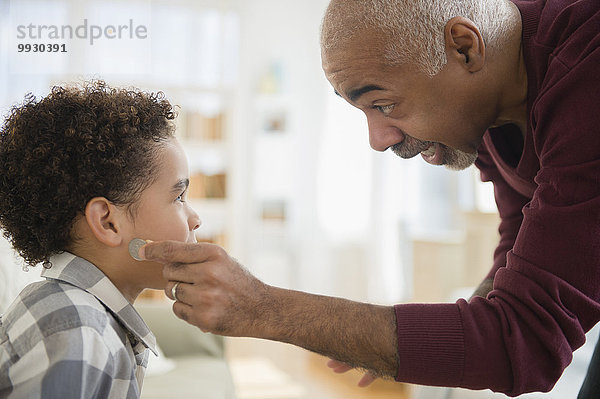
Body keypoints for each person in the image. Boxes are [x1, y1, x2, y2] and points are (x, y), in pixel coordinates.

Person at [137, 0, 600, 396]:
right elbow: (521, 234)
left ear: (465, 47)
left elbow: (524, 341)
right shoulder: (491, 103)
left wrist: (262, 306)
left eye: (383, 104)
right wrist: (385, 340)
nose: (378, 140)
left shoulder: (587, 74)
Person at [0, 81, 201, 398]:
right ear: (108, 222)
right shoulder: (78, 330)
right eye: (179, 197)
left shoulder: (80, 314)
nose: (195, 218)